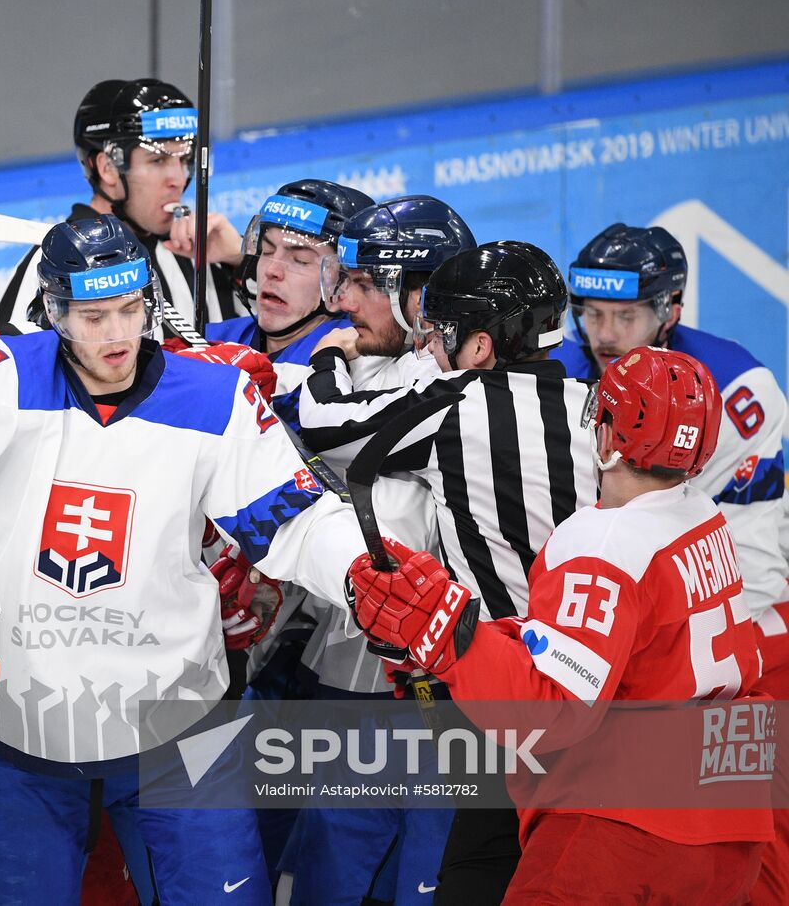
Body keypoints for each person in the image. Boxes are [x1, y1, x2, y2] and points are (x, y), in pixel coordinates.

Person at [0, 213, 374, 905]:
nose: (120, 335)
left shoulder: (215, 400)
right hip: (20, 740)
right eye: (95, 317)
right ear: (55, 313)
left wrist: (367, 574)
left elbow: (300, 521)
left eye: (132, 310)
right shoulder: (1, 378)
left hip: (179, 735)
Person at [347, 345, 771, 904]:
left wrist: (446, 632)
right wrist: (471, 640)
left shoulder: (605, 541)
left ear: (612, 438)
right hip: (728, 824)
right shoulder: (703, 516)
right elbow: (606, 648)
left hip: (626, 829)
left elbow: (549, 710)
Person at [299, 240, 599, 904]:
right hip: (598, 670)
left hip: (499, 674)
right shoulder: (591, 402)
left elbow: (324, 424)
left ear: (482, 346)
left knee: (479, 861)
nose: (429, 347)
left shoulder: (453, 403)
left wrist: (326, 356)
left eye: (441, 334)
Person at [551, 222, 789, 903]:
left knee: (754, 839)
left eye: (626, 316)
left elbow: (704, 541)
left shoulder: (735, 387)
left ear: (671, 309)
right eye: (592, 313)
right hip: (633, 629)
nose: (604, 332)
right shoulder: (565, 369)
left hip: (741, 628)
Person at [273, 196, 475, 904]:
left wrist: (318, 371)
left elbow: (336, 427)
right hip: (342, 690)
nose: (344, 301)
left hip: (435, 703)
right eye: (342, 279)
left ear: (421, 297)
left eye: (363, 285)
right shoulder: (362, 365)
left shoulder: (459, 392)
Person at [0, 78, 245, 327]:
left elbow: (264, 348)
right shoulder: (50, 262)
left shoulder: (208, 251)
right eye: (158, 161)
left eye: (184, 159)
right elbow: (16, 363)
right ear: (108, 168)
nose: (178, 179)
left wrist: (241, 261)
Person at [202, 178, 374, 431]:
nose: (272, 270)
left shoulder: (358, 361)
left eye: (300, 261)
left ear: (344, 283)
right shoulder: (211, 339)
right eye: (267, 251)